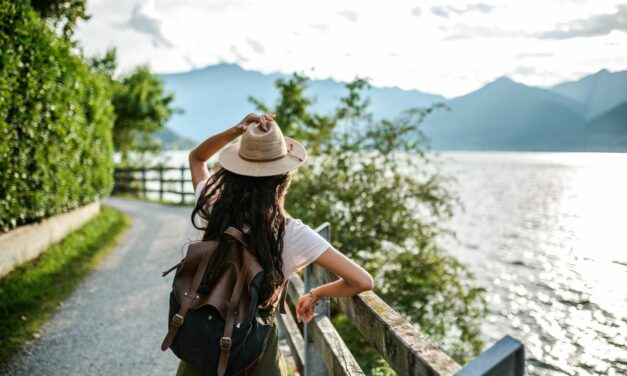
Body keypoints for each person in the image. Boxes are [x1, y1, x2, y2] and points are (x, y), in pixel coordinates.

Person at [176, 113, 374, 375]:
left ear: (235, 171)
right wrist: (315, 294)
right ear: (284, 179)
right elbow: (361, 281)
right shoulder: (291, 233)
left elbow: (197, 157)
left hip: (203, 336)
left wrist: (238, 129)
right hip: (254, 349)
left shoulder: (213, 206)